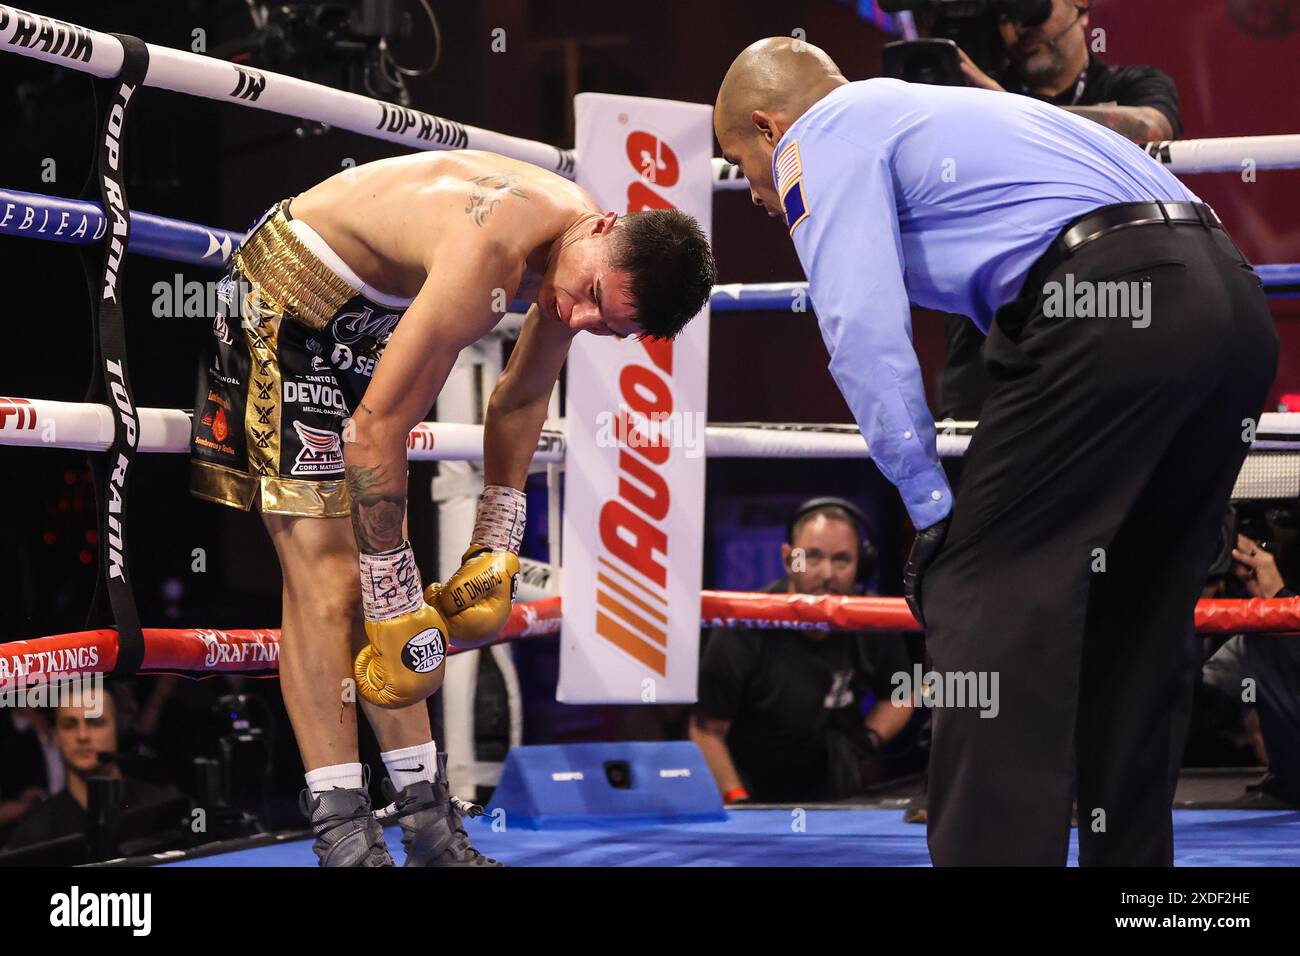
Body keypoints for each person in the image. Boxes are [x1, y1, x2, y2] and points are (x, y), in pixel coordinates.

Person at [714, 39, 1278, 865]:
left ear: (769, 126)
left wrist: (932, 512)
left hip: (1112, 307)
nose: (759, 195)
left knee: (981, 597)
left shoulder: (820, 134)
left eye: (743, 164)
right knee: (1133, 619)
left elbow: (861, 334)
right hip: (1228, 305)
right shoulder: (956, 115)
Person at [189, 150, 716, 865]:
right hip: (279, 303)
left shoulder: (578, 251)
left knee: (392, 610)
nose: (573, 312)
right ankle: (344, 839)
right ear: (608, 225)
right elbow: (376, 434)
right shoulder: (491, 251)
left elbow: (522, 397)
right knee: (341, 585)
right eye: (589, 293)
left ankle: (432, 831)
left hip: (363, 325)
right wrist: (389, 590)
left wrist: (493, 542)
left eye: (602, 323)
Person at [941, 0, 1185, 422]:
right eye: (1005, 15)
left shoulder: (1133, 84)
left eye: (1033, 7)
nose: (1020, 27)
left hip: (1105, 308)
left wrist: (1009, 112)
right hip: (995, 326)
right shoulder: (973, 97)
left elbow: (1153, 127)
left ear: (1080, 6)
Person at [692, 498, 913, 803]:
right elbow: (706, 730)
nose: (827, 574)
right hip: (754, 788)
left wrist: (869, 739)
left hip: (838, 798)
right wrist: (739, 801)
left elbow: (902, 693)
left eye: (841, 560)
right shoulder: (745, 624)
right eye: (812, 557)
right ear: (789, 560)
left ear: (859, 565)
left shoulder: (871, 618)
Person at [3, 690, 181, 853]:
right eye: (69, 725)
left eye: (95, 722)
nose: (82, 736)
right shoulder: (33, 837)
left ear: (117, 730)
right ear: (56, 736)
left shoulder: (166, 810)